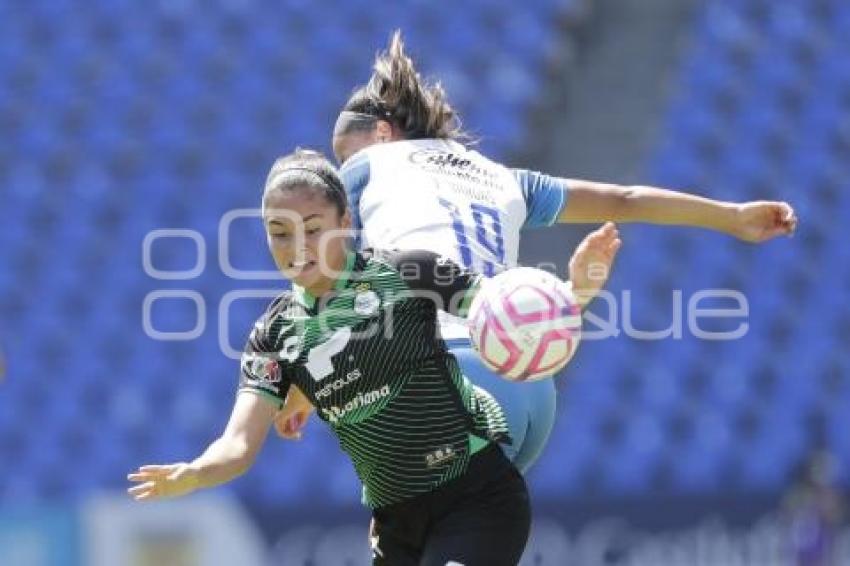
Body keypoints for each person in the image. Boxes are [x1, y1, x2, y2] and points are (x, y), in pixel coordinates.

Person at [273, 31, 799, 474]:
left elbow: (326, 271)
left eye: (346, 155)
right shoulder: (503, 177)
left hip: (447, 375)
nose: (344, 168)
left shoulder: (371, 166)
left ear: (383, 134)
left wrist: (298, 382)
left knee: (412, 518)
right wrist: (730, 216)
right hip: (529, 385)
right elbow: (625, 199)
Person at [127, 149, 621, 566]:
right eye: (279, 232)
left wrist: (574, 292)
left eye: (313, 228)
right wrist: (194, 472)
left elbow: (509, 319)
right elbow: (237, 446)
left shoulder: (408, 271)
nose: (296, 248)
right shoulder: (273, 335)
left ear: (346, 222)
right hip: (395, 527)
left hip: (478, 497)